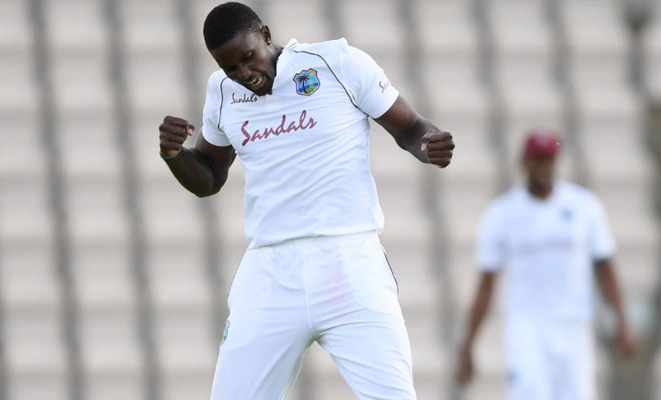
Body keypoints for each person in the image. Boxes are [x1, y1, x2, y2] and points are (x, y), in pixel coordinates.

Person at [158, 2, 454, 399]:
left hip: (349, 262)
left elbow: (411, 127)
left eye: (248, 59)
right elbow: (209, 178)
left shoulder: (337, 63)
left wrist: (426, 145)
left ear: (265, 35)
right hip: (269, 271)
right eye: (230, 68)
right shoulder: (223, 93)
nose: (244, 75)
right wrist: (174, 155)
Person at [455, 130, 636, 400]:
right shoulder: (501, 213)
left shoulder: (584, 206)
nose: (542, 166)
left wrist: (622, 324)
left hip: (574, 325)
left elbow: (605, 270)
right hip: (526, 327)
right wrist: (468, 346)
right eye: (536, 159)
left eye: (548, 159)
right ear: (524, 162)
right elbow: (486, 286)